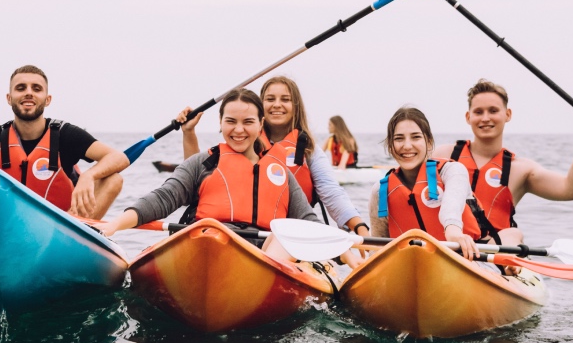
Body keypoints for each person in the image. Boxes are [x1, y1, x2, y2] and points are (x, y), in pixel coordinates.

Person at [98, 89, 321, 258]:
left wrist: (345, 256)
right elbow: (163, 198)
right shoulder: (202, 163)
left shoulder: (280, 173)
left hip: (265, 254)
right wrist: (115, 224)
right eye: (231, 121)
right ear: (221, 123)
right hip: (209, 245)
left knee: (285, 238)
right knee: (210, 237)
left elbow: (308, 223)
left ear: (261, 123)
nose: (239, 130)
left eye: (248, 122)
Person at [180, 76, 371, 240]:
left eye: (285, 99)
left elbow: (332, 193)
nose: (277, 104)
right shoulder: (243, 140)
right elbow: (199, 175)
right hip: (243, 234)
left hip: (290, 237)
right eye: (270, 99)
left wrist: (359, 226)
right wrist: (189, 133)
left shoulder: (310, 152)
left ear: (295, 106)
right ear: (260, 107)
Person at [431, 79, 573, 237]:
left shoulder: (520, 169)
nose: (485, 118)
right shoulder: (443, 156)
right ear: (468, 117)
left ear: (508, 114)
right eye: (478, 112)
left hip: (492, 254)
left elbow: (571, 190)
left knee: (514, 234)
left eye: (493, 111)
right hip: (446, 247)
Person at [0, 65, 129, 220]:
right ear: (9, 98)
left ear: (47, 99)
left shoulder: (65, 135)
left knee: (113, 179)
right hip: (7, 228)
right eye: (21, 88)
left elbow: (118, 158)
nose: (28, 93)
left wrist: (89, 176)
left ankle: (78, 237)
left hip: (63, 228)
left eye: (36, 89)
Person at [369, 107, 484, 261]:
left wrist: (454, 232)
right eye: (399, 139)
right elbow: (377, 247)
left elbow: (451, 209)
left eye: (416, 137)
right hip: (409, 268)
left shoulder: (451, 171)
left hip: (465, 258)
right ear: (390, 146)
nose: (407, 146)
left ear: (429, 142)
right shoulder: (380, 191)